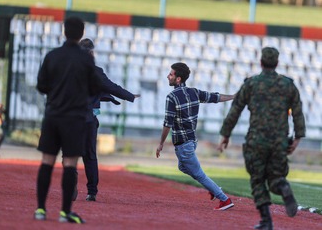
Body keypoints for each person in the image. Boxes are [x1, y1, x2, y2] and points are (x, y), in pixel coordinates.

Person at [218, 47, 306, 230]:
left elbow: (235, 110)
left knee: (257, 180)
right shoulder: (288, 85)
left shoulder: (251, 84)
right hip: (279, 140)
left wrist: (226, 134)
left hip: (256, 140)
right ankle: (282, 187)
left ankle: (266, 221)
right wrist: (297, 138)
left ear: (261, 62)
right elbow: (297, 112)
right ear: (277, 63)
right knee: (276, 177)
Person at [34, 17, 101, 224]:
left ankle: (41, 209)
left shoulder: (52, 56)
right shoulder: (86, 60)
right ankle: (65, 212)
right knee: (70, 164)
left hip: (53, 115)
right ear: (81, 34)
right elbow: (94, 89)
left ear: (64, 32)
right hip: (75, 118)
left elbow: (41, 86)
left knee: (47, 162)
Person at [156, 62, 235, 211]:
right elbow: (215, 97)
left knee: (198, 174)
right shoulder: (194, 92)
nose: (168, 76)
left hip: (183, 144)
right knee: (182, 167)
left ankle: (224, 199)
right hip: (192, 141)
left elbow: (168, 123)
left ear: (178, 79)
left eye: (171, 74)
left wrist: (161, 143)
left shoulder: (171, 97)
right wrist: (234, 96)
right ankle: (212, 187)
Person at [79, 38, 140, 202]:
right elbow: (112, 87)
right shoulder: (96, 72)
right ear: (91, 53)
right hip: (89, 118)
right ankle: (91, 191)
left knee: (69, 154)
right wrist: (130, 96)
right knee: (90, 155)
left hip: (70, 117)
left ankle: (70, 188)